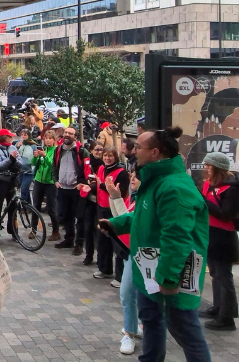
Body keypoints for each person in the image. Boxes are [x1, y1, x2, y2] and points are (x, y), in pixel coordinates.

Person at [103, 127, 211, 362]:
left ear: (154, 152)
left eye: (138, 147)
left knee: (185, 329)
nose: (133, 150)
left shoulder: (174, 187)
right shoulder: (155, 180)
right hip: (150, 272)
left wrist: (169, 278)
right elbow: (145, 217)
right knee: (151, 319)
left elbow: (177, 238)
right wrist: (116, 224)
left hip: (168, 274)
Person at [199, 151, 239, 331]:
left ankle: (227, 318)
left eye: (209, 165)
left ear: (218, 168)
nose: (206, 168)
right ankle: (217, 308)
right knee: (215, 274)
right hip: (210, 233)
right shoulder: (209, 184)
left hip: (224, 237)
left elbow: (226, 214)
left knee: (224, 277)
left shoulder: (233, 188)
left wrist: (204, 201)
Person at [106, 170, 140, 355]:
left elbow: (129, 222)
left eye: (136, 176)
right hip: (132, 252)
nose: (132, 179)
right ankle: (131, 329)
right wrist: (115, 197)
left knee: (130, 294)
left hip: (143, 253)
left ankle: (132, 330)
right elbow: (123, 219)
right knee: (128, 294)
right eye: (132, 175)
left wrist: (116, 198)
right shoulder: (136, 198)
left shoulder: (148, 198)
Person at [94, 147, 129, 283]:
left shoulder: (121, 173)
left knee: (118, 242)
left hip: (114, 210)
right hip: (101, 207)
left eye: (110, 156)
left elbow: (122, 191)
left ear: (116, 157)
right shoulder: (102, 168)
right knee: (102, 240)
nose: (107, 158)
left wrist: (102, 185)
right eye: (105, 156)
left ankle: (120, 277)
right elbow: (98, 186)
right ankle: (104, 269)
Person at [53, 127, 88, 257]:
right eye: (66, 133)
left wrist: (82, 183)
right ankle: (68, 239)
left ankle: (79, 244)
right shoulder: (58, 150)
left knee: (79, 217)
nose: (67, 135)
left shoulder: (81, 151)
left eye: (70, 134)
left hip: (76, 189)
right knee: (66, 215)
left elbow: (88, 169)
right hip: (62, 188)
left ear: (75, 137)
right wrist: (55, 180)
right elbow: (54, 167)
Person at [0, 128, 21, 230]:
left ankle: (13, 230)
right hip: (0, 181)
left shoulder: (13, 148)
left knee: (13, 206)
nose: (11, 138)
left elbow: (21, 163)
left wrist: (14, 161)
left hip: (12, 180)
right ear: (4, 138)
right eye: (9, 137)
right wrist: (10, 159)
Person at [31, 131, 60, 242]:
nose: (47, 140)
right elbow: (34, 163)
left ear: (54, 140)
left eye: (50, 138)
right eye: (46, 138)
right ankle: (33, 229)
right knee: (36, 205)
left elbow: (53, 165)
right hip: (39, 180)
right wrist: (36, 156)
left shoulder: (56, 151)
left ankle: (56, 231)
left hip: (50, 182)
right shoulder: (43, 149)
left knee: (51, 208)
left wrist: (45, 156)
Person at [16, 129, 37, 204]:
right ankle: (28, 205)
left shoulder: (33, 145)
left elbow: (35, 157)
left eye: (25, 135)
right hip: (21, 170)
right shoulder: (19, 144)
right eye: (22, 135)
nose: (23, 136)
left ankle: (22, 205)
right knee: (25, 189)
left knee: (24, 188)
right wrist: (17, 147)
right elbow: (15, 154)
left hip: (29, 171)